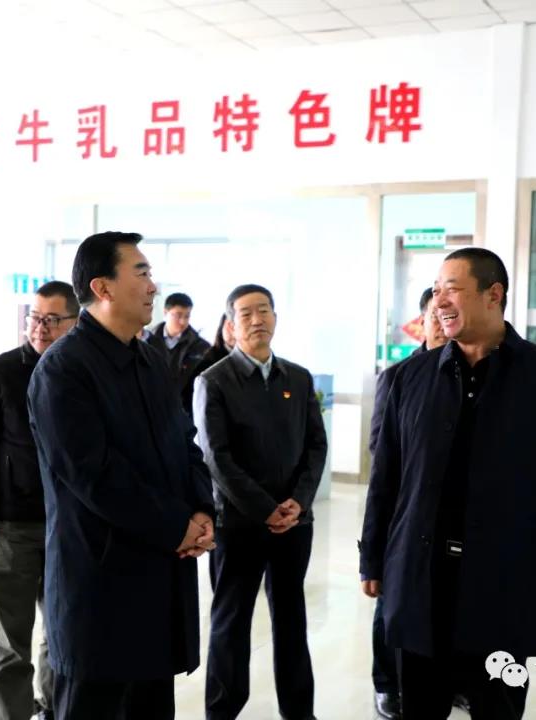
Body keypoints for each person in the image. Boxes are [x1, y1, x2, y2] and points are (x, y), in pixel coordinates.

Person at [359, 248, 536, 720]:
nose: (439, 300)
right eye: (436, 290)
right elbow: (386, 480)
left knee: (497, 708)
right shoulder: (410, 379)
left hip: (505, 583)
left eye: (452, 288)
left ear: (494, 294)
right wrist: (373, 559)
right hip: (421, 579)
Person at [27, 232, 215, 720]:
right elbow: (94, 476)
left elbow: (184, 442)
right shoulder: (63, 369)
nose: (153, 286)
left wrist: (201, 509)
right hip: (100, 583)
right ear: (103, 287)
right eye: (142, 273)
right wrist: (176, 526)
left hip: (158, 574)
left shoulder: (150, 359)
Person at [194, 284, 327, 720]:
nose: (257, 320)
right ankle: (222, 712)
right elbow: (217, 457)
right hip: (238, 524)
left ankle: (299, 711)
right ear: (231, 326)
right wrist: (265, 508)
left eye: (264, 310)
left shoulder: (298, 378)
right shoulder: (214, 381)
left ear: (275, 318)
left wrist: (297, 503)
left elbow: (315, 446)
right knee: (231, 622)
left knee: (292, 620)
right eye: (246, 313)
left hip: (294, 524)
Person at [0, 281, 79, 720]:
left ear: (75, 322)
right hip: (13, 526)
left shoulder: (81, 371)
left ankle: (52, 709)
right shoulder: (2, 371)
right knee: (10, 640)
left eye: (51, 320)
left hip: (69, 528)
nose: (40, 328)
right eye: (34, 318)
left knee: (62, 635)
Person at [363, 286, 446, 720]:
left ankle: (447, 684)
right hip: (402, 513)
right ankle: (386, 684)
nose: (442, 323)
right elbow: (380, 448)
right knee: (390, 605)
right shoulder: (399, 376)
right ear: (422, 322)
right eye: (435, 315)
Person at [145, 292, 210, 413]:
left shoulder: (201, 347)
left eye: (187, 316)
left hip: (186, 411)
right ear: (165, 313)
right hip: (152, 409)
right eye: (178, 315)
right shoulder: (146, 342)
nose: (183, 322)